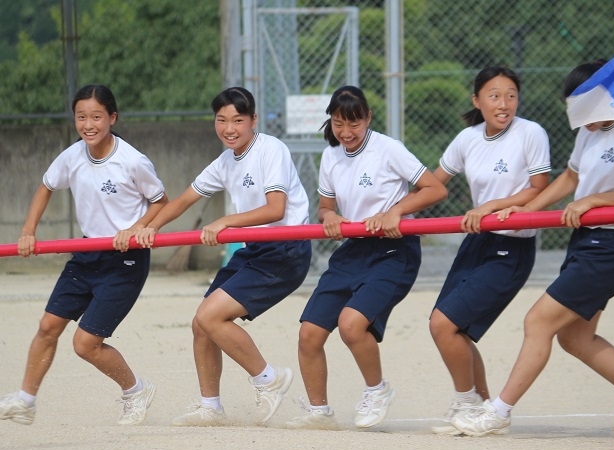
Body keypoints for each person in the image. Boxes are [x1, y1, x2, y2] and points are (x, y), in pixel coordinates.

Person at [451, 60, 614, 436]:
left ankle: (498, 412)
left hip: (613, 244)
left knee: (537, 321)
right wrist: (526, 209)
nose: (578, 117)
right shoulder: (589, 131)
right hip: (585, 240)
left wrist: (597, 200)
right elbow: (571, 176)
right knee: (575, 337)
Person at [135, 87, 311, 426]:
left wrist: (226, 220)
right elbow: (183, 201)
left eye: (238, 120)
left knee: (212, 317)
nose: (229, 128)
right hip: (254, 249)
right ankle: (210, 406)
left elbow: (277, 209)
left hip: (285, 249)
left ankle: (268, 378)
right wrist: (148, 227)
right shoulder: (225, 161)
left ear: (253, 120)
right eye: (221, 120)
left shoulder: (271, 149)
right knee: (201, 323)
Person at [0, 84, 168, 426]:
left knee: (85, 343)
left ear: (112, 118)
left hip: (125, 260)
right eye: (81, 117)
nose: (88, 124)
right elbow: (46, 187)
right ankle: (25, 400)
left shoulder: (132, 160)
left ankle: (135, 390)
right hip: (87, 252)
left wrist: (135, 228)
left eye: (96, 116)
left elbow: (161, 202)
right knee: (48, 325)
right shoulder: (72, 155)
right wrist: (28, 231)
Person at [285, 85, 448, 430]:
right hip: (353, 249)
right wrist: (329, 218)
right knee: (309, 333)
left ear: (368, 118)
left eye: (353, 124)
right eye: (338, 124)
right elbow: (326, 207)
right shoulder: (330, 155)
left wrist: (396, 212)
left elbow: (436, 188)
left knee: (351, 324)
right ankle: (319, 412)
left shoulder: (389, 149)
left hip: (394, 249)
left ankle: (377, 390)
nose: (346, 133)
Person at [428, 66, 551, 434]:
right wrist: (395, 209)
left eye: (511, 95)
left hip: (511, 245)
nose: (504, 104)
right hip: (477, 240)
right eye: (495, 96)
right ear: (477, 100)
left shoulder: (530, 133)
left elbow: (539, 188)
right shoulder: (467, 138)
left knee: (442, 324)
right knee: (453, 330)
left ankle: (467, 401)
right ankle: (478, 408)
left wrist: (492, 206)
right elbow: (434, 181)